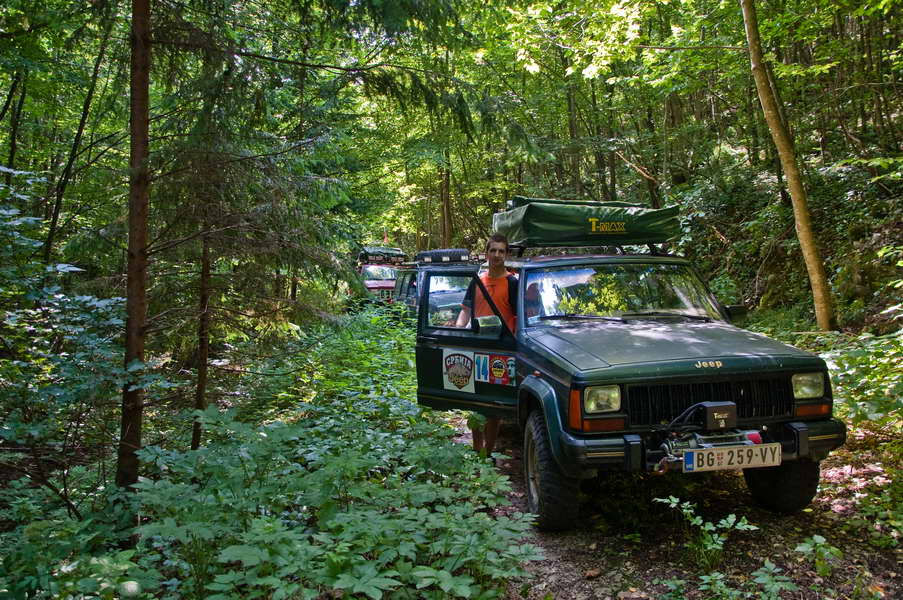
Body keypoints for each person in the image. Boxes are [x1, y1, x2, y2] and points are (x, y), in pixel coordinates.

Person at [455, 233, 517, 456]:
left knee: (494, 407)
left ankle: (488, 454)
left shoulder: (513, 283)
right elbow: (465, 311)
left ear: (506, 254)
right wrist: (458, 331)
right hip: (476, 347)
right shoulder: (477, 281)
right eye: (493, 250)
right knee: (475, 402)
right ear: (486, 253)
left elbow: (520, 317)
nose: (497, 255)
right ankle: (475, 449)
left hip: (501, 351)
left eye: (501, 251)